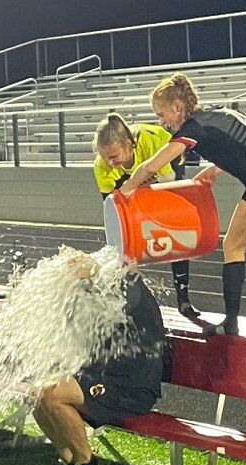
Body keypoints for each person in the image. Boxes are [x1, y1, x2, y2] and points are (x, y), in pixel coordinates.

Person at [122, 72, 246, 335]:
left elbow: (152, 165)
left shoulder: (193, 128)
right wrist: (214, 169)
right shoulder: (215, 114)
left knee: (232, 245)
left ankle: (230, 324)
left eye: (161, 114)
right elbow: (242, 144)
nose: (161, 121)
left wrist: (126, 190)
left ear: (177, 108)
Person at [32, 253, 166, 465]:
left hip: (130, 386)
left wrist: (87, 279)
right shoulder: (96, 289)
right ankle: (70, 464)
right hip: (104, 377)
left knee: (52, 394)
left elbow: (113, 308)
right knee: (37, 394)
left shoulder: (129, 284)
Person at [93, 112, 202, 318]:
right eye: (105, 157)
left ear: (128, 143)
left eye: (114, 157)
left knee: (176, 233)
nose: (110, 163)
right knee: (124, 240)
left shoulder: (151, 141)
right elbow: (112, 210)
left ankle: (183, 299)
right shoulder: (102, 166)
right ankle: (126, 294)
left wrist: (140, 186)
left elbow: (167, 183)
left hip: (167, 166)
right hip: (138, 178)